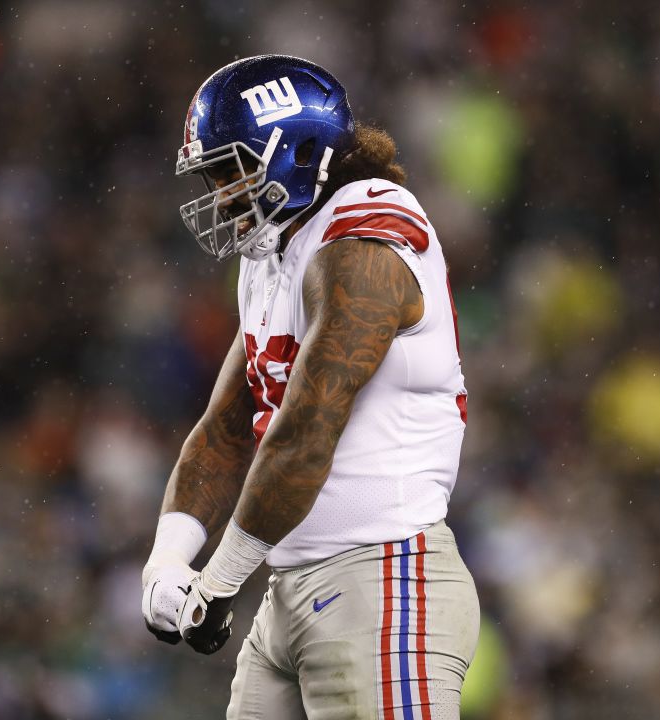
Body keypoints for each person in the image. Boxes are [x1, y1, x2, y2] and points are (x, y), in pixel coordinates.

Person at [141, 55, 479, 720]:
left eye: (230, 169)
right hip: (294, 590)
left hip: (383, 582)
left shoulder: (365, 244)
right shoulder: (277, 250)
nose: (219, 193)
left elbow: (304, 436)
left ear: (295, 151)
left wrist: (218, 583)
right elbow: (229, 426)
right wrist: (168, 559)